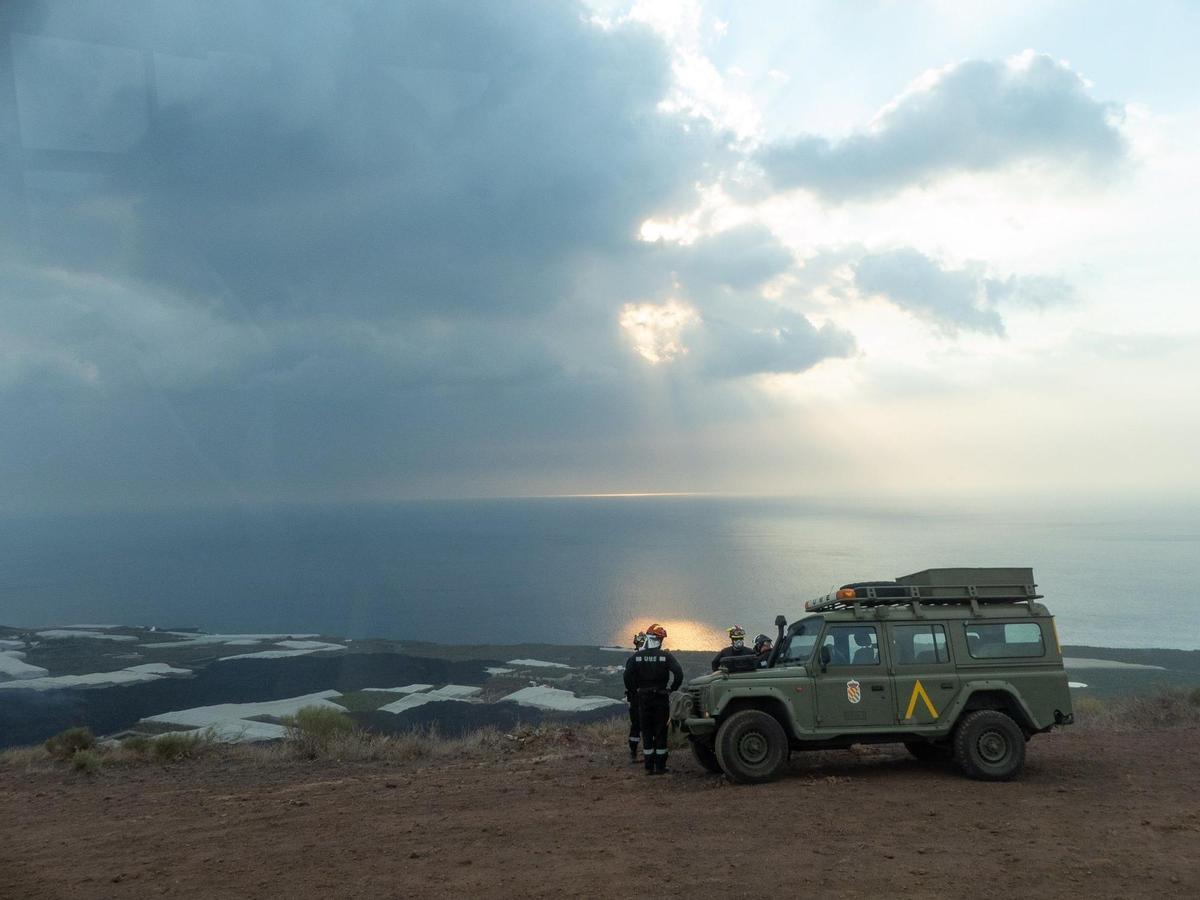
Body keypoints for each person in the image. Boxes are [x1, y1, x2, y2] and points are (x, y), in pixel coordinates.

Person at [623, 623, 683, 775]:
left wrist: (633, 691)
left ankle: (649, 766)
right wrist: (672, 689)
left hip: (643, 699)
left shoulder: (636, 657)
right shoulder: (666, 656)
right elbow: (678, 673)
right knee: (661, 731)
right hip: (661, 698)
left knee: (647, 731)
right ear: (660, 640)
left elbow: (627, 676)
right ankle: (661, 766)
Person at [625, 631, 647, 762]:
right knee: (650, 725)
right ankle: (650, 753)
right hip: (649, 697)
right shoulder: (652, 658)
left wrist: (633, 690)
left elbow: (627, 678)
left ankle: (633, 752)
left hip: (635, 697)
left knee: (636, 725)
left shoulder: (632, 660)